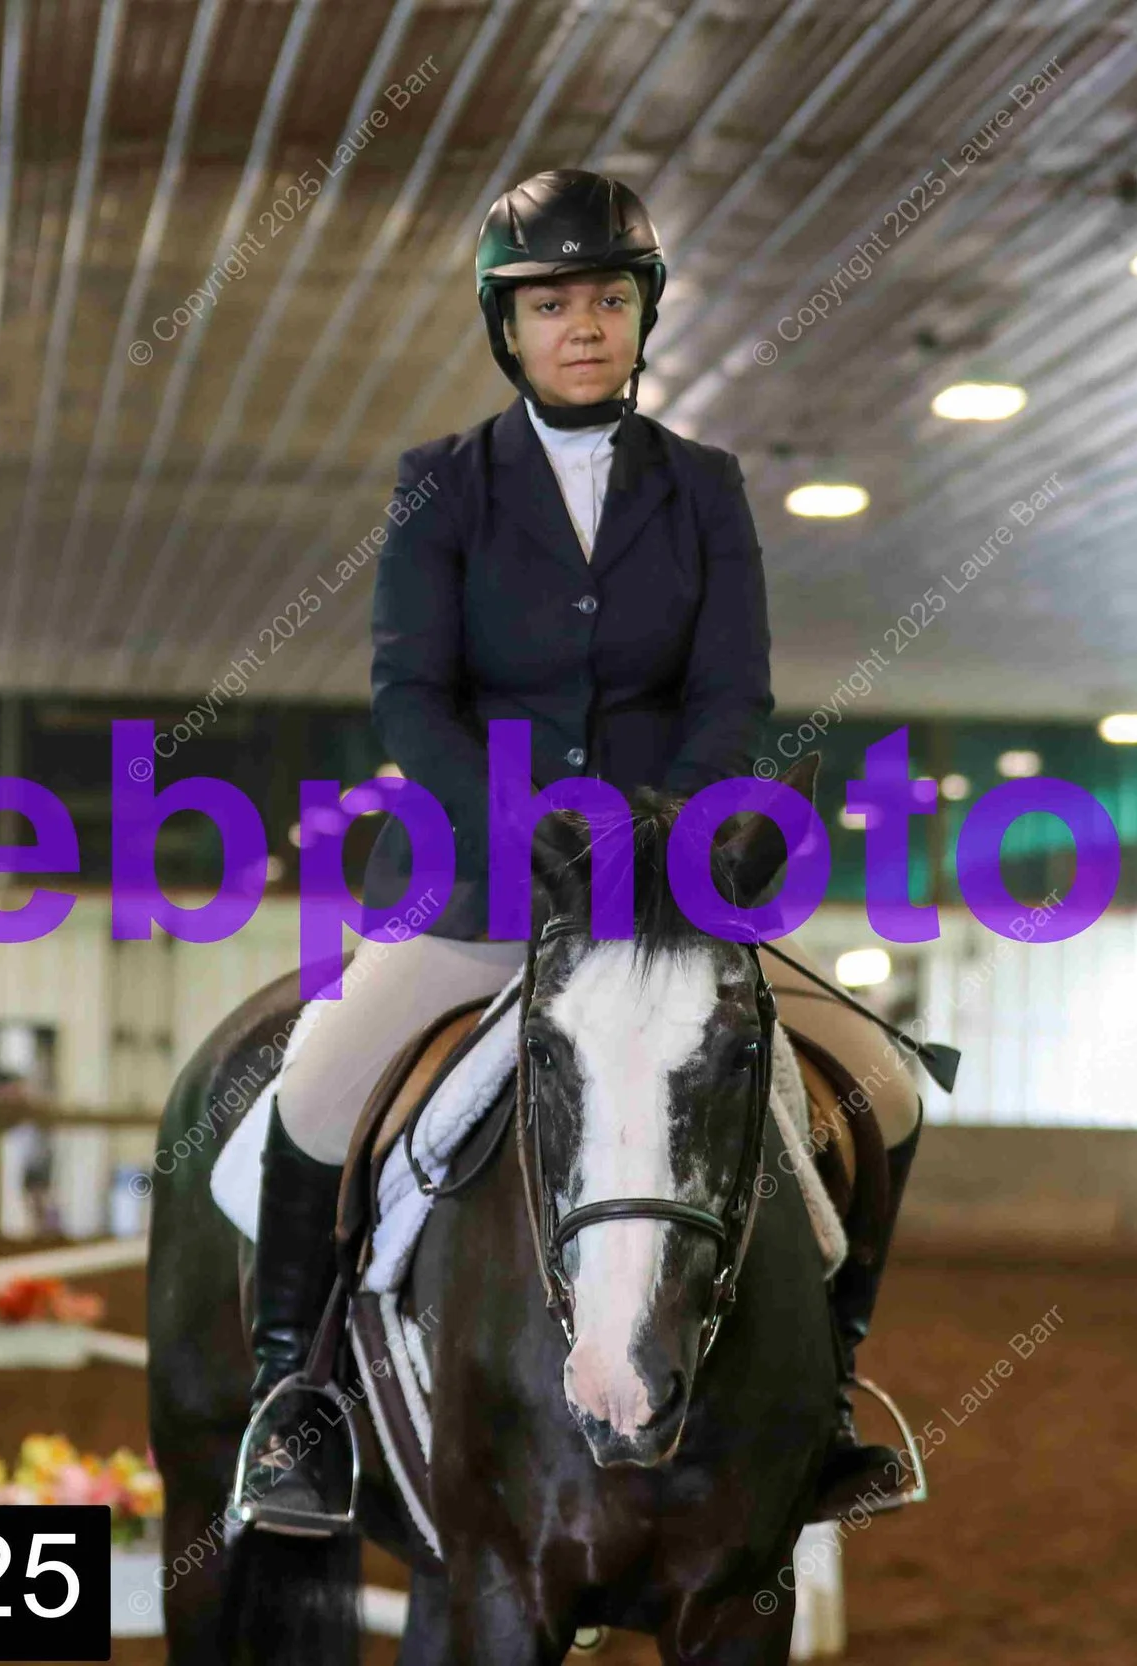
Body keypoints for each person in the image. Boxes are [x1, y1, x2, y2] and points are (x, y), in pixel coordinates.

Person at [237, 168, 924, 1533]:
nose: (585, 326)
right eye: (552, 305)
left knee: (883, 1087)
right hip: (480, 883)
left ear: (643, 314)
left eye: (608, 298)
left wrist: (667, 827)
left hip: (668, 893)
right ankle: (294, 1404)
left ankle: (830, 1396)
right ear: (509, 328)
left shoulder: (705, 488)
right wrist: (528, 820)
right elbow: (410, 698)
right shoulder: (442, 484)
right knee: (316, 1091)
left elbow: (732, 692)